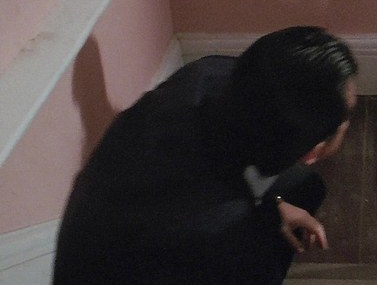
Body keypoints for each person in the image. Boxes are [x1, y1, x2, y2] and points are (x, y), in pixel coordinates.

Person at [53, 26, 359, 284]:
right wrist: (258, 219)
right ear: (312, 152)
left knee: (304, 188)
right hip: (143, 261)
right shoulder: (222, 241)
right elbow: (209, 224)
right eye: (346, 120)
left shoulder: (208, 74)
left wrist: (274, 205)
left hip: (113, 230)